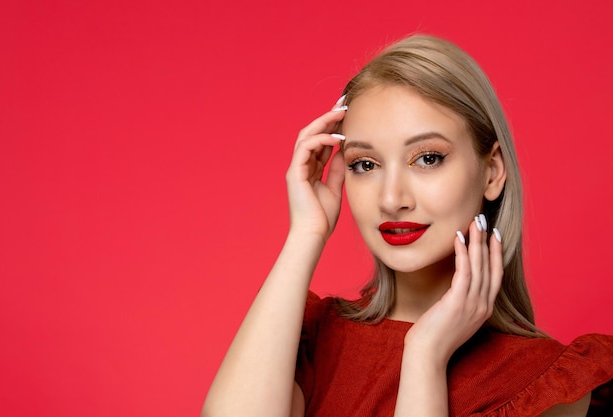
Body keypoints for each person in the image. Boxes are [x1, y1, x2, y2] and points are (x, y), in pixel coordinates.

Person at [201, 34, 613, 417]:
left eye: (427, 158)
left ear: (491, 171)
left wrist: (424, 357)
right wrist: (306, 233)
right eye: (366, 164)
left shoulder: (542, 382)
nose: (391, 198)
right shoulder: (308, 339)